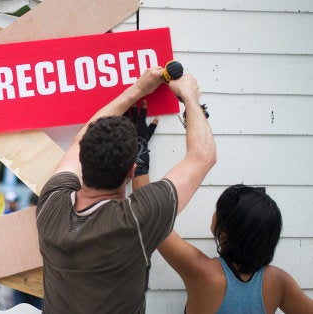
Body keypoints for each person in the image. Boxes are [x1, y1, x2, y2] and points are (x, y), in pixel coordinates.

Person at [36, 67, 216, 313]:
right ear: (132, 170)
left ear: (84, 161)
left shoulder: (52, 202)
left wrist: (138, 89)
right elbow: (202, 157)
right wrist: (190, 98)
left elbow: (80, 140)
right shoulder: (134, 221)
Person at [130, 102, 313, 313]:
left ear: (224, 232)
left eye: (219, 211)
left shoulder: (204, 273)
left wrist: (140, 152)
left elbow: (150, 215)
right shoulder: (279, 281)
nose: (214, 213)